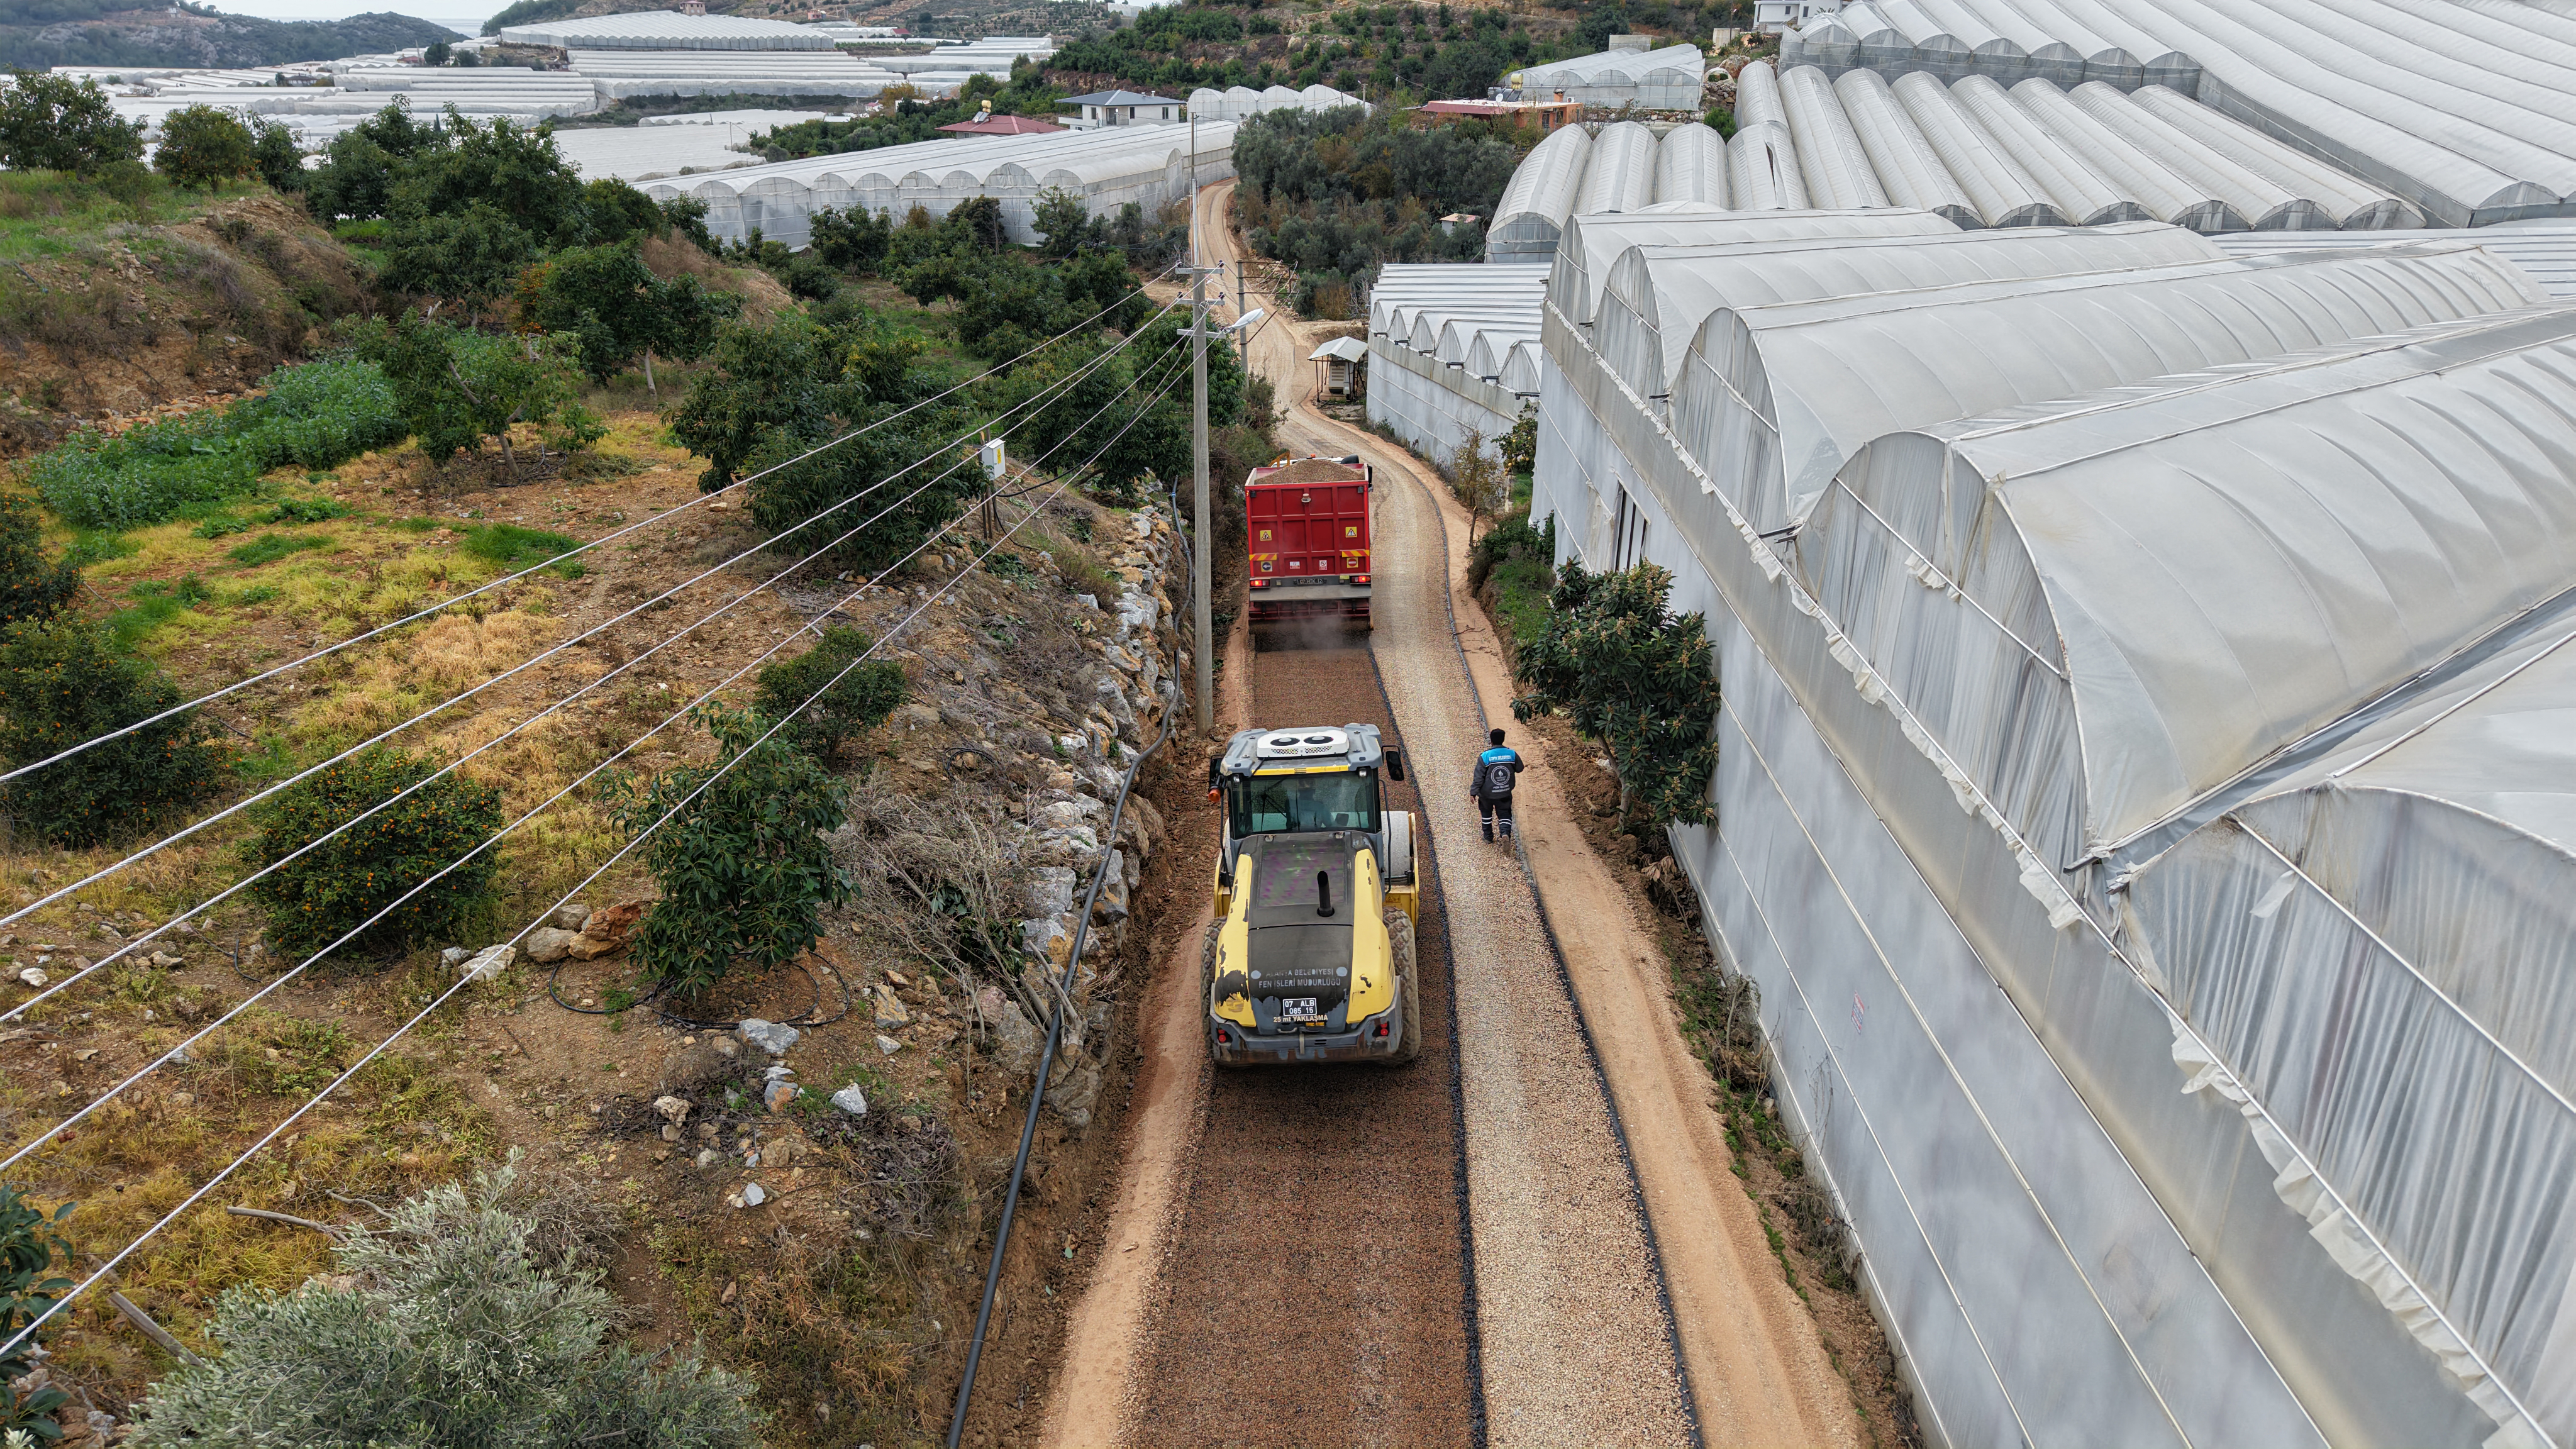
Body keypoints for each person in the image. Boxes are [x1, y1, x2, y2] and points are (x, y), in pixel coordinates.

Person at [1470, 726, 1523, 842]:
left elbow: (1479, 777)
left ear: (1491, 740)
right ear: (1503, 739)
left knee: (1486, 814)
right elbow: (1520, 768)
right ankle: (1505, 834)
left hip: (1487, 794)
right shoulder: (1512, 754)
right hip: (1504, 792)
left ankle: (1488, 837)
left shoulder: (1485, 756)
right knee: (1504, 813)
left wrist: (1473, 792)